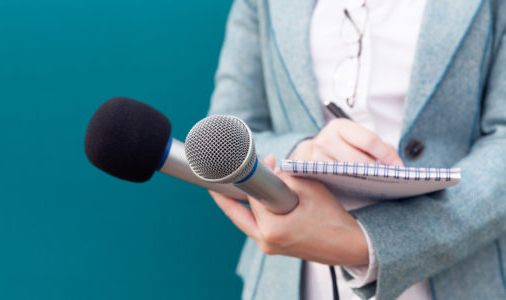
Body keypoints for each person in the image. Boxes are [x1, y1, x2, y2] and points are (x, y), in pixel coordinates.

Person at [207, 0, 506, 299]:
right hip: (290, 279)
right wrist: (301, 154)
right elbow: (224, 131)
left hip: (463, 274)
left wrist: (371, 243)